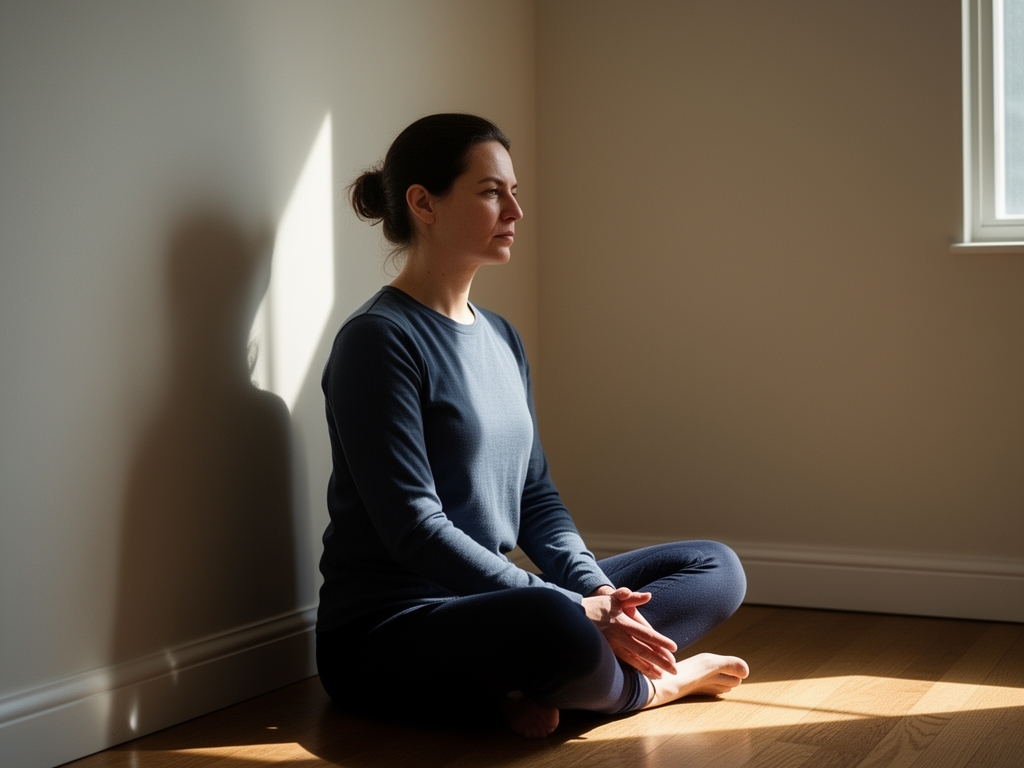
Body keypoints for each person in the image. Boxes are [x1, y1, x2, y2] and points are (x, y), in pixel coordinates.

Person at [315, 113, 749, 739]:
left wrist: (600, 593)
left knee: (715, 567)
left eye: (514, 192)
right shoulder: (377, 341)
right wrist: (575, 609)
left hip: (489, 608)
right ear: (423, 203)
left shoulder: (501, 337)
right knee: (554, 624)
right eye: (492, 192)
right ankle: (652, 687)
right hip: (391, 628)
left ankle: (522, 691)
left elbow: (536, 498)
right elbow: (416, 530)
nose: (515, 210)